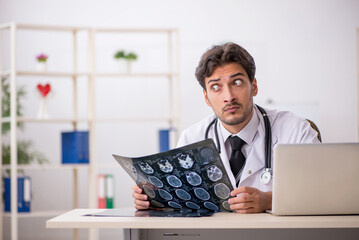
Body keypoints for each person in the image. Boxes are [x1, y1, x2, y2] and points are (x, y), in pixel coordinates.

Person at [132, 42, 320, 213]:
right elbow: (179, 203)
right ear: (206, 98)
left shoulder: (295, 130)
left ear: (253, 86)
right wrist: (152, 200)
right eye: (216, 87)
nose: (229, 96)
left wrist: (269, 200)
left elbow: (323, 190)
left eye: (236, 83)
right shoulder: (192, 139)